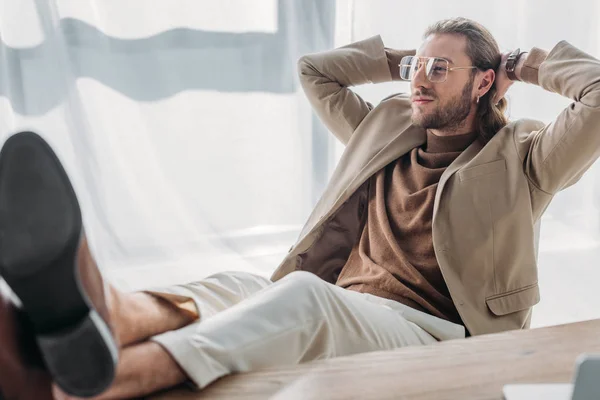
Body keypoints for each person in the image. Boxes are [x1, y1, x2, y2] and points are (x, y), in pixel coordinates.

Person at [1, 16, 600, 399]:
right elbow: (315, 71)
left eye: (439, 69)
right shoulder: (387, 128)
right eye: (417, 66)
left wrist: (532, 66)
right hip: (351, 307)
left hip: (436, 336)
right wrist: (399, 61)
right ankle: (112, 314)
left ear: (483, 83)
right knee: (240, 284)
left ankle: (99, 384)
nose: (420, 78)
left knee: (304, 297)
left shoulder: (523, 158)